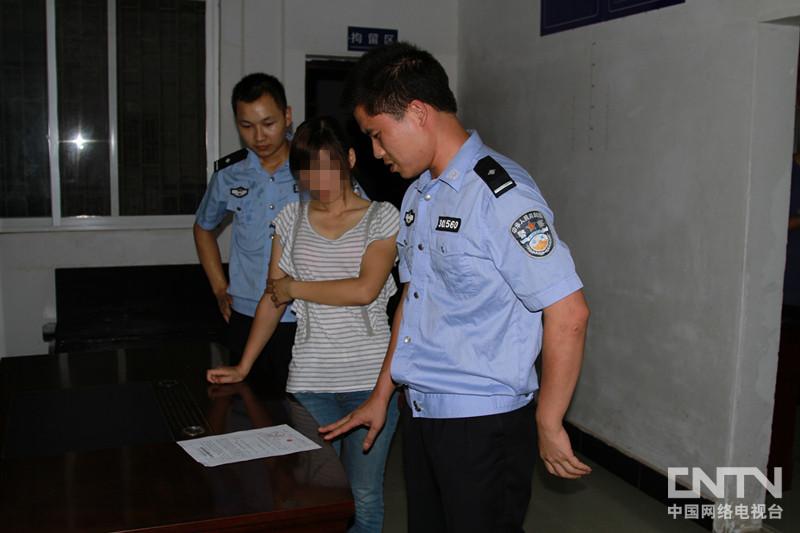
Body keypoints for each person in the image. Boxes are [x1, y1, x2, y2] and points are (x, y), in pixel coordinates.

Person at [320, 42, 592, 532]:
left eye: (378, 135)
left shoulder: (500, 195)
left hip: (484, 426)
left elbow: (569, 312)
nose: (376, 152)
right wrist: (382, 393)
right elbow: (413, 301)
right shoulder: (417, 196)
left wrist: (549, 421)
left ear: (417, 112)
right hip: (424, 414)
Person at [207, 116, 401, 533]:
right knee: (318, 499)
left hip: (369, 383)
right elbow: (272, 298)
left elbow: (364, 289)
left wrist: (294, 286)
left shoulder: (382, 217)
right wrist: (243, 366)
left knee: (364, 497)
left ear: (350, 159)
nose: (319, 179)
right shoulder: (290, 218)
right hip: (310, 384)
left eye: (329, 166)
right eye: (308, 169)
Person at [194, 73, 299, 392]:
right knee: (246, 407)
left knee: (302, 413)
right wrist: (219, 288)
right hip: (246, 314)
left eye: (268, 123)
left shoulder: (315, 167)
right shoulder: (229, 174)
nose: (259, 136)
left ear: (287, 116)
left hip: (303, 317)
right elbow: (203, 228)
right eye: (247, 126)